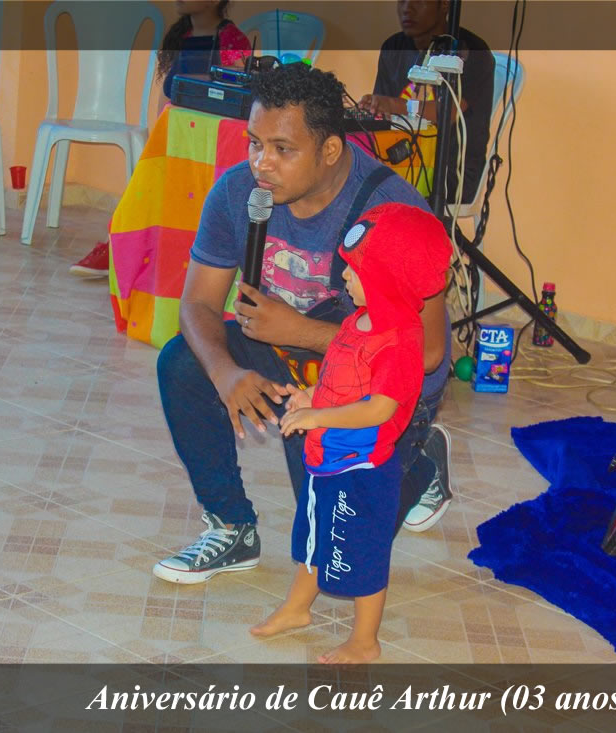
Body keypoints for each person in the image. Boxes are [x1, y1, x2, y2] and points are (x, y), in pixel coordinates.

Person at [152, 63, 455, 586]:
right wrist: (225, 373)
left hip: (385, 383)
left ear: (330, 149)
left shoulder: (393, 210)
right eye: (255, 143)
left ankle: (420, 466)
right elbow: (197, 304)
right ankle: (231, 526)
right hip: (291, 352)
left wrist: (301, 333)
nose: (261, 163)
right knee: (182, 363)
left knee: (336, 549)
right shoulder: (237, 193)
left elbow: (426, 353)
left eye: (283, 149)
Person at [250, 202, 452, 664]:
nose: (344, 277)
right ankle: (297, 608)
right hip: (327, 457)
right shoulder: (358, 322)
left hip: (362, 467)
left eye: (356, 271)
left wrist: (319, 418)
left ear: (389, 279)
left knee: (358, 551)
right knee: (313, 536)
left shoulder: (399, 340)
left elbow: (379, 408)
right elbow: (339, 377)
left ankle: (365, 640)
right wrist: (310, 398)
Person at [70, 0, 251, 277]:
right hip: (177, 136)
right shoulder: (182, 36)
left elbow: (237, 92)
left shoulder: (231, 39)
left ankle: (118, 252)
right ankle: (118, 248)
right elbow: (167, 95)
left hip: (210, 143)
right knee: (148, 179)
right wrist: (161, 138)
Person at [359, 0, 494, 205]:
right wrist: (374, 106)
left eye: (419, 1)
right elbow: (383, 119)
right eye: (402, 1)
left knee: (368, 189)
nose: (407, 8)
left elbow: (450, 112)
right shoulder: (393, 47)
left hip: (450, 172)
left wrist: (395, 105)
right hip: (400, 161)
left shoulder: (471, 51)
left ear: (445, 4)